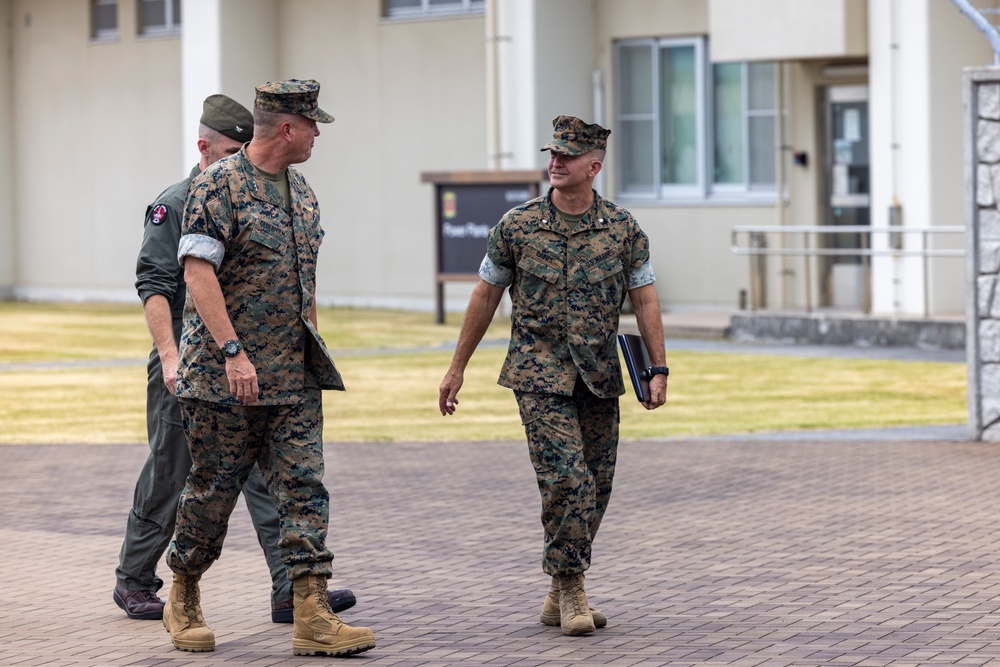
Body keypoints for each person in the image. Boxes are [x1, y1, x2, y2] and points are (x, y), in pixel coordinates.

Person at [115, 94, 356, 626]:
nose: (238, 154)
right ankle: (135, 579)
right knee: (179, 470)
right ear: (204, 145)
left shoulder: (284, 192)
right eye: (229, 146)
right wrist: (171, 355)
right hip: (194, 359)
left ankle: (289, 589)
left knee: (277, 479)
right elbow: (156, 284)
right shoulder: (179, 201)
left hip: (266, 365)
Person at [162, 80, 375, 657]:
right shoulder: (218, 185)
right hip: (225, 379)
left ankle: (312, 613)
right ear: (287, 128)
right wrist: (234, 353)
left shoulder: (302, 193)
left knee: (306, 490)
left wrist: (310, 338)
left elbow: (307, 280)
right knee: (212, 494)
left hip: (293, 378)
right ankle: (182, 592)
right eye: (313, 126)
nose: (317, 136)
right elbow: (197, 274)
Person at [438, 115, 669, 637]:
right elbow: (485, 295)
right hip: (537, 375)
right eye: (552, 154)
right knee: (566, 480)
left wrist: (658, 369)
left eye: (567, 156)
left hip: (599, 377)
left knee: (597, 487)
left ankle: (557, 588)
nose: (555, 163)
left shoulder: (623, 229)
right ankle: (571, 588)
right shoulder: (517, 226)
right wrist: (457, 368)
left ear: (594, 165)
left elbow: (645, 298)